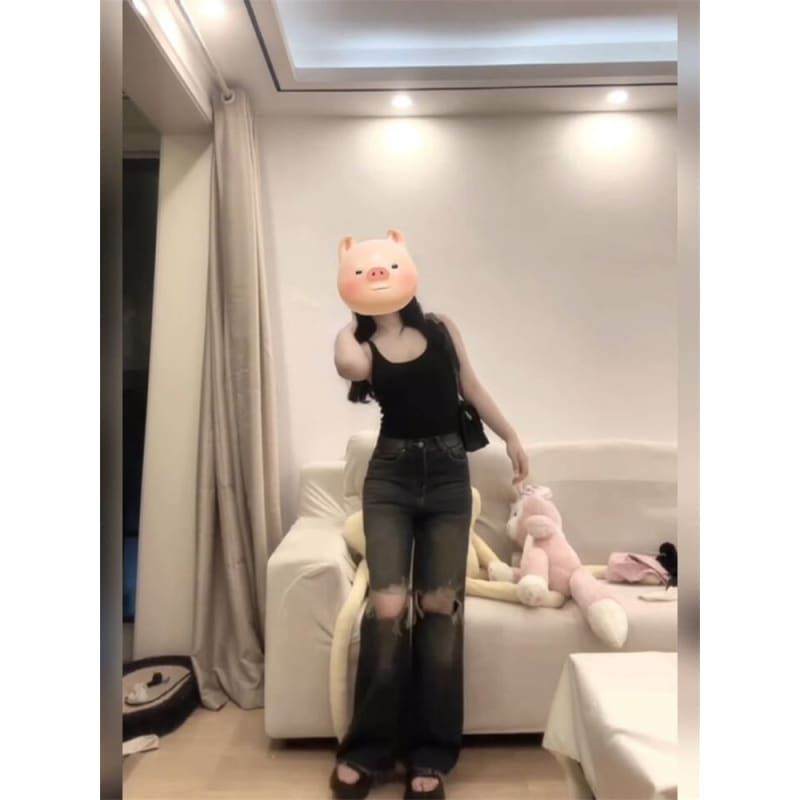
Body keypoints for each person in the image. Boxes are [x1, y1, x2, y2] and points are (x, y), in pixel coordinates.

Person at [330, 296, 529, 800]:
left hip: (447, 477)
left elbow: (471, 387)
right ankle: (369, 751)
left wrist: (511, 436)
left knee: (440, 609)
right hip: (390, 479)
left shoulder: (441, 328)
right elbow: (347, 365)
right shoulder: (363, 348)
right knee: (387, 607)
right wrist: (351, 320)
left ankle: (431, 756)